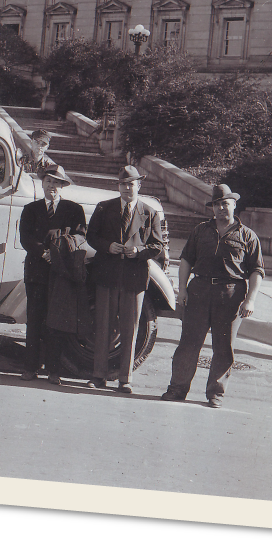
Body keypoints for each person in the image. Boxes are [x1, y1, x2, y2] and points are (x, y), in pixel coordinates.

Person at [162, 184, 264, 407]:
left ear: (234, 205)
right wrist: (182, 289)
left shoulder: (248, 236)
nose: (220, 208)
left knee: (223, 346)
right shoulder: (201, 230)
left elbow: (257, 271)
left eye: (225, 204)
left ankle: (215, 393)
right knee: (188, 343)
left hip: (231, 295)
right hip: (199, 291)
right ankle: (177, 389)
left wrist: (251, 299)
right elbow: (187, 259)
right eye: (217, 204)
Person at [85, 165, 164, 393]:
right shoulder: (104, 208)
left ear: (139, 185)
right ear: (118, 186)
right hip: (107, 275)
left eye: (131, 184)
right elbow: (91, 236)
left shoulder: (149, 212)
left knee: (130, 328)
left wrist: (139, 252)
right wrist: (107, 246)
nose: (127, 188)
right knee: (103, 326)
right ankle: (98, 375)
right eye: (123, 184)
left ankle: (125, 379)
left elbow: (157, 246)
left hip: (134, 278)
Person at [17, 166, 86, 382]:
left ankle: (54, 371)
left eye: (57, 182)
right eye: (48, 181)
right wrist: (43, 252)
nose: (52, 186)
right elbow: (25, 238)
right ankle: (30, 368)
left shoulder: (74, 210)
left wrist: (57, 255)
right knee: (34, 320)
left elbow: (80, 237)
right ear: (42, 183)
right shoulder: (30, 209)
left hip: (61, 274)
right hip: (36, 272)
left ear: (62, 186)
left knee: (56, 321)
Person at [45, 228, 97, 385]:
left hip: (59, 289)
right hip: (77, 290)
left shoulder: (60, 241)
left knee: (56, 331)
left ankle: (53, 371)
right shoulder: (84, 244)